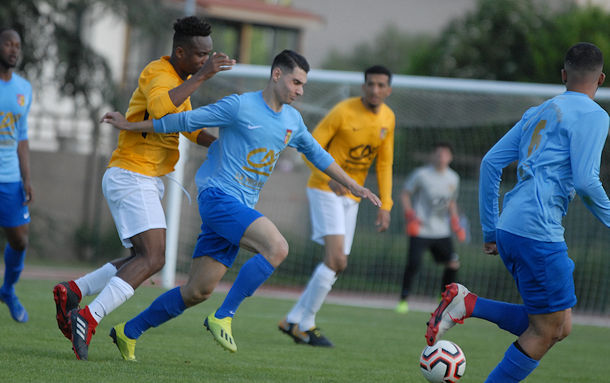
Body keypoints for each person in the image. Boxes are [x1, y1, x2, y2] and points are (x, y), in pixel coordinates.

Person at [100, 49, 381, 360]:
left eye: (303, 85)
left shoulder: (292, 120)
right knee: (277, 248)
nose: (300, 91)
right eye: (296, 82)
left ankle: (128, 332)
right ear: (277, 75)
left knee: (197, 291)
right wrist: (130, 126)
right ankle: (224, 316)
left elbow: (318, 154)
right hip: (218, 197)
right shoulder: (239, 106)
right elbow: (182, 120)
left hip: (237, 207)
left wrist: (355, 185)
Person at [52, 16, 235, 360]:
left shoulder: (182, 80)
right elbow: (163, 109)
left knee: (143, 257)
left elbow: (187, 126)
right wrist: (203, 75)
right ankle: (88, 318)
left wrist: (221, 145)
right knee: (153, 258)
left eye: (208, 56)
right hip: (131, 174)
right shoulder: (158, 73)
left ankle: (74, 290)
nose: (205, 61)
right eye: (199, 55)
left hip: (143, 178)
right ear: (179, 52)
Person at [426, 42, 610, 383]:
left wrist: (491, 229)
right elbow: (586, 181)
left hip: (511, 227)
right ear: (601, 78)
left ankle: (469, 304)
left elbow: (491, 163)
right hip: (539, 232)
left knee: (560, 325)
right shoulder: (595, 115)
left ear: (563, 75)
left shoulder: (537, 111)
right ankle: (468, 306)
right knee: (544, 332)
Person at [278, 65, 395, 347]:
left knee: (336, 264)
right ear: (363, 87)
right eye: (370, 84)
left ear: (388, 90)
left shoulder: (389, 118)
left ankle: (292, 320)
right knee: (337, 260)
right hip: (324, 189)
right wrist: (327, 178)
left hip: (353, 197)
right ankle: (305, 325)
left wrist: (385, 204)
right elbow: (309, 147)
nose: (375, 90)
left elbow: (384, 163)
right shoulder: (343, 111)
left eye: (381, 85)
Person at [395, 142, 465, 314]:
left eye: (445, 154)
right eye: (438, 153)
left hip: (441, 231)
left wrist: (456, 222)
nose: (441, 157)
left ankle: (444, 298)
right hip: (421, 229)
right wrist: (410, 216)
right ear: (433, 155)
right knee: (413, 263)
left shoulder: (453, 178)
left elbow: (451, 202)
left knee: (453, 263)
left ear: (450, 157)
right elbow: (405, 194)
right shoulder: (421, 174)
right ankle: (403, 299)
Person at [0, 28, 33, 323]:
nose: (13, 49)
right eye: (8, 43)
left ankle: (8, 290)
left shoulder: (24, 89)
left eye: (17, 45)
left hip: (10, 179)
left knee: (20, 240)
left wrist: (27, 178)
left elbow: (22, 137)